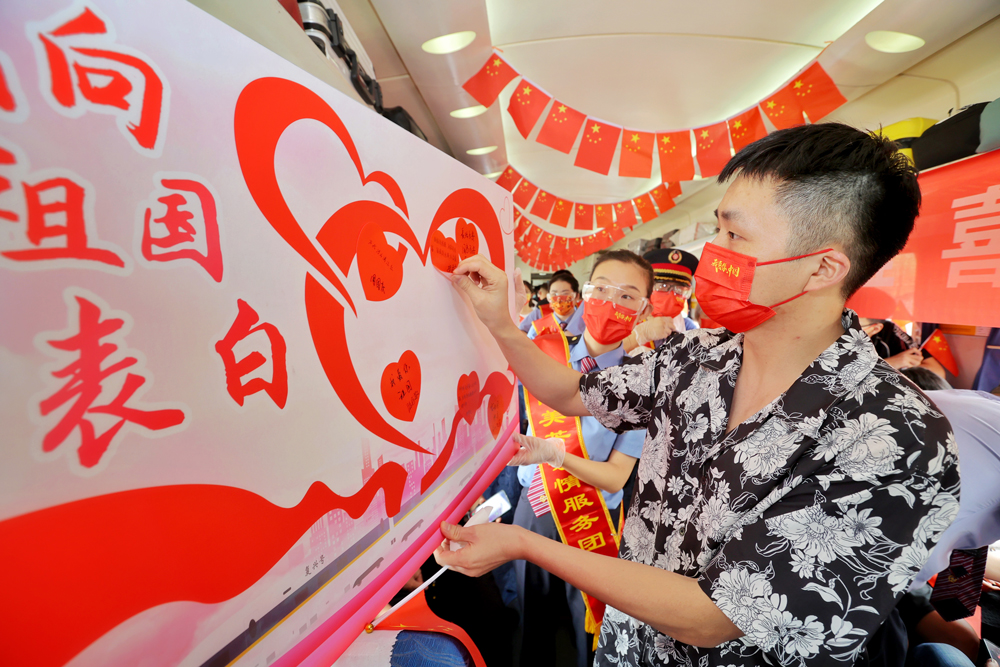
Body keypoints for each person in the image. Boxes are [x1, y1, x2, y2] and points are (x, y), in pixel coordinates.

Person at [436, 122, 960, 667]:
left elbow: (715, 616)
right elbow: (571, 392)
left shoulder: (897, 439)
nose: (713, 254)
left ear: (824, 267)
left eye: (735, 236)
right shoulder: (696, 357)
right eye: (717, 231)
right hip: (625, 650)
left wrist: (524, 544)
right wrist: (500, 324)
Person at [511, 250, 649, 667]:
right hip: (532, 508)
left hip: (591, 524)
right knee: (525, 622)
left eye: (627, 296)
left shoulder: (643, 382)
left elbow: (613, 478)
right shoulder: (541, 349)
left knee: (584, 631)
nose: (611, 302)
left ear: (643, 309)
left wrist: (556, 455)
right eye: (602, 288)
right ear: (585, 293)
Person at [622, 247, 700, 353]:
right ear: (647, 288)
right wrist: (642, 334)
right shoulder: (625, 319)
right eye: (662, 286)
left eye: (680, 289)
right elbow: (600, 356)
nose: (672, 295)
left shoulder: (688, 327)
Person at [861, 318, 947, 378]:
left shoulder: (888, 331)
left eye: (854, 324)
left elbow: (937, 372)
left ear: (875, 328)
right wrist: (889, 364)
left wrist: (903, 365)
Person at [526, 271, 580, 338]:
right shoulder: (537, 328)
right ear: (549, 297)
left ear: (577, 296)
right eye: (554, 294)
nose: (559, 299)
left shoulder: (586, 325)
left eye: (565, 293)